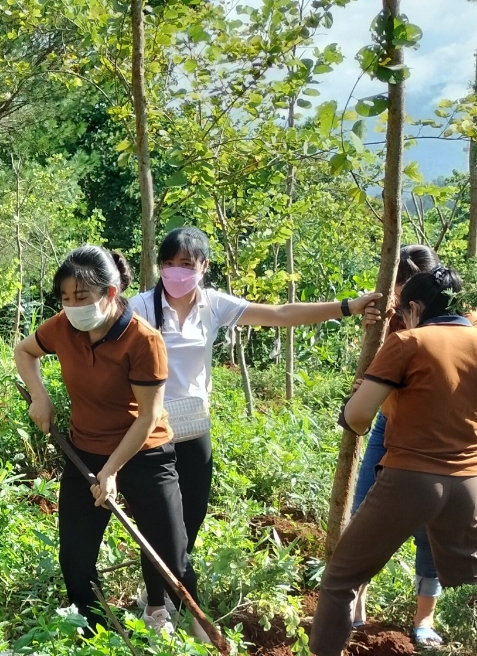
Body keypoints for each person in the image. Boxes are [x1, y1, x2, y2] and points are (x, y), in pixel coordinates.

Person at [312, 265, 477, 656]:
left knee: (344, 574)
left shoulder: (407, 343)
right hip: (469, 484)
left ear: (415, 308)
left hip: (409, 478)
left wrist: (350, 408)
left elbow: (360, 418)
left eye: (404, 311)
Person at [128, 226, 382, 566]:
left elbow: (280, 314)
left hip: (193, 423)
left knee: (194, 513)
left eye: (187, 263)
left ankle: (168, 581)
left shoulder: (212, 304)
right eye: (169, 262)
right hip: (151, 427)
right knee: (161, 517)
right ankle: (157, 602)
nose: (177, 271)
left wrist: (348, 307)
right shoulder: (140, 307)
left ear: (204, 267)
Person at [14, 245, 197, 635]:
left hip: (144, 453)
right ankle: (97, 634)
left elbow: (147, 417)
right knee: (76, 559)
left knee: (170, 554)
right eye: (64, 298)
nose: (71, 306)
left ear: (110, 294)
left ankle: (184, 626)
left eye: (81, 297)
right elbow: (25, 351)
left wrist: (111, 471)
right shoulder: (64, 327)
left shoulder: (142, 340)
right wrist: (40, 396)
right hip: (85, 451)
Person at [347, 244, 442, 643]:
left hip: (435, 435)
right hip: (387, 423)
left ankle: (424, 620)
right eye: (397, 291)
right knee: (364, 513)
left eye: (408, 294)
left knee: (430, 527)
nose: (401, 303)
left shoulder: (459, 322)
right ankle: (355, 604)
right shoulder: (390, 319)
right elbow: (374, 373)